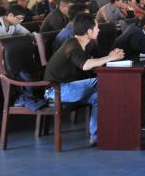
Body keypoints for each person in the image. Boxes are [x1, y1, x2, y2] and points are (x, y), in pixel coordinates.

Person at [44, 13, 124, 147]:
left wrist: (113, 54)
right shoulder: (72, 45)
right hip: (56, 90)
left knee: (99, 97)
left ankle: (96, 137)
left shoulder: (89, 44)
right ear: (89, 31)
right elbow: (85, 65)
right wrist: (110, 58)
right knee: (104, 81)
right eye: (97, 27)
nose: (99, 30)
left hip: (71, 88)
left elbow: (102, 56)